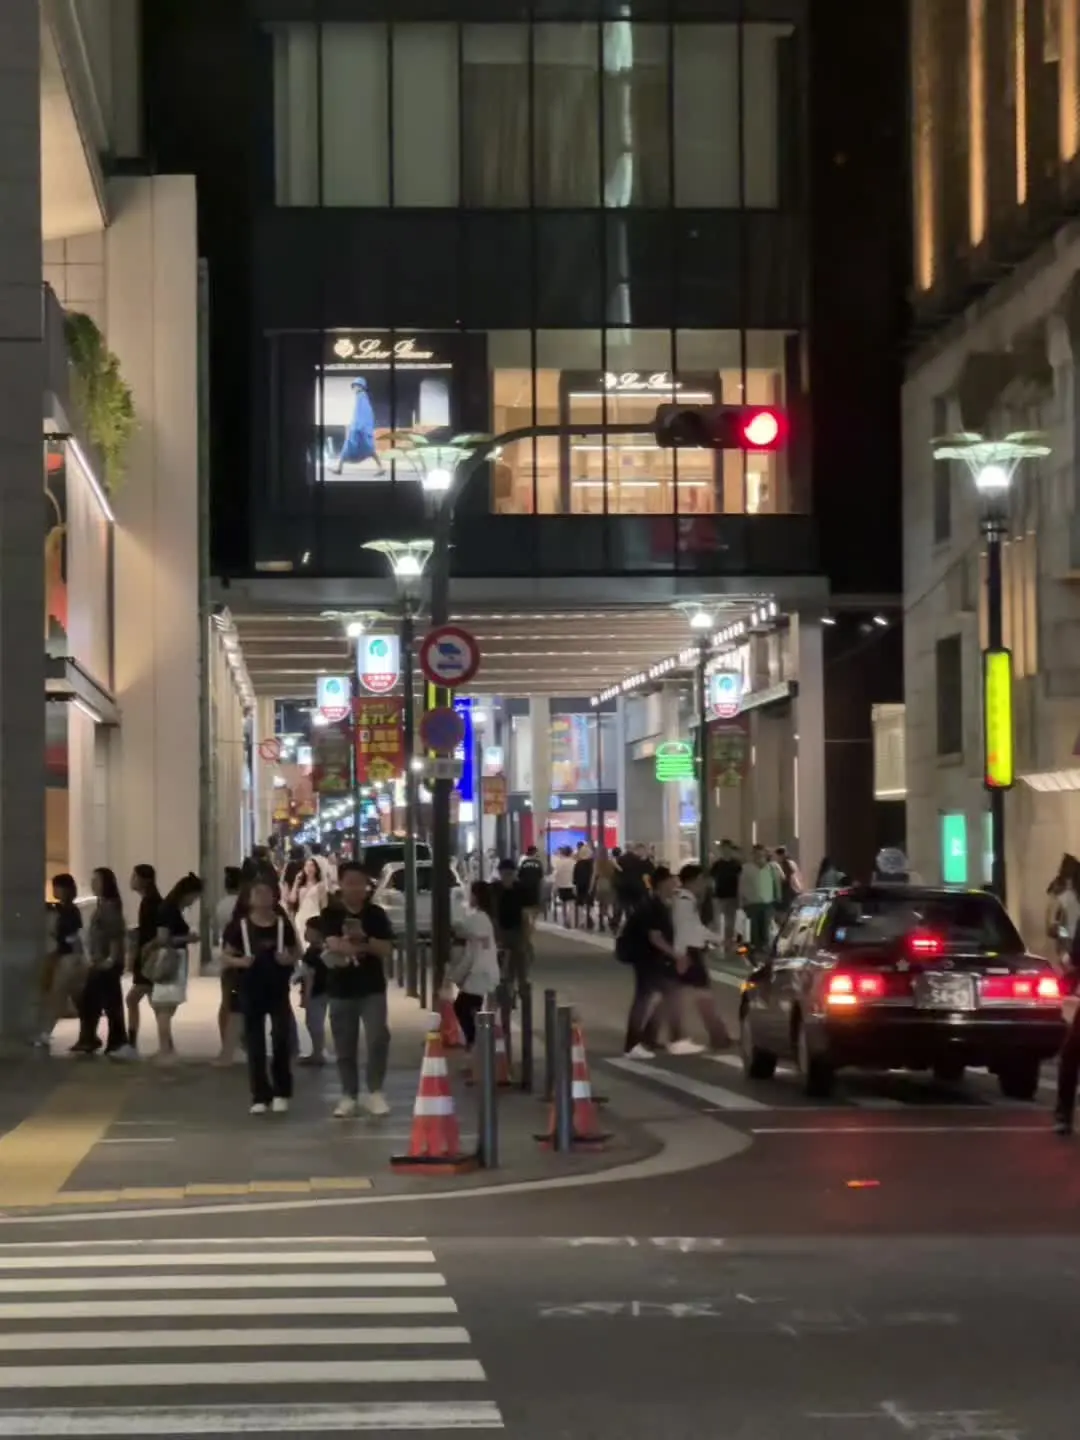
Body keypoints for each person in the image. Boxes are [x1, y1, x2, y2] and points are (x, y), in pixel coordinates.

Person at [320, 862, 394, 1118]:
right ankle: (348, 1094)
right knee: (344, 1044)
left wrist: (364, 939)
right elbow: (333, 943)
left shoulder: (376, 914)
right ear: (340, 884)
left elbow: (386, 948)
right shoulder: (331, 913)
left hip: (372, 987)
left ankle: (375, 1091)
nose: (355, 888)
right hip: (340, 987)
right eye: (350, 882)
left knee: (378, 1038)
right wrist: (358, 947)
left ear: (367, 886)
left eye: (360, 883)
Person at [222, 878, 298, 1114]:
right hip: (250, 988)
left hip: (278, 988)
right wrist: (240, 962)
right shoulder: (240, 926)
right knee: (254, 1042)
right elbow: (225, 955)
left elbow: (297, 951)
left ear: (274, 898)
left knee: (281, 1038)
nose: (263, 898)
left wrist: (288, 958)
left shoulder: (282, 924)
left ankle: (282, 1091)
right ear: (249, 899)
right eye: (258, 894)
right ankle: (259, 1095)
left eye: (267, 893)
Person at [620, 866, 685, 1059]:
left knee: (664, 994)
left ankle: (649, 1038)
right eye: (672, 881)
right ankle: (632, 1044)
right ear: (662, 884)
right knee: (644, 998)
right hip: (645, 957)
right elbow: (655, 936)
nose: (675, 885)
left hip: (654, 958)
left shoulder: (660, 904)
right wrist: (675, 955)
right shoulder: (652, 906)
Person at [671, 863, 731, 1052]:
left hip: (689, 952)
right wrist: (681, 955)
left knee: (683, 995)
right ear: (695, 880)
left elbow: (693, 928)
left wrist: (716, 940)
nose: (704, 885)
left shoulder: (684, 900)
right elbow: (686, 930)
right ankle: (717, 1036)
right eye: (702, 880)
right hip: (689, 953)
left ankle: (714, 1035)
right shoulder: (684, 901)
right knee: (701, 994)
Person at [144, 872, 203, 1061]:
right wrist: (188, 938)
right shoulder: (168, 910)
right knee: (165, 1007)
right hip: (170, 959)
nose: (193, 901)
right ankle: (165, 1050)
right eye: (194, 897)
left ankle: (167, 1048)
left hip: (173, 958)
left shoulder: (171, 909)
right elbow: (164, 938)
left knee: (166, 1006)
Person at [72, 868, 130, 1057]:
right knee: (95, 1002)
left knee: (104, 1003)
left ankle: (109, 1041)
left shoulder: (109, 907)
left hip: (106, 963)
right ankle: (92, 1039)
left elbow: (114, 936)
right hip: (100, 962)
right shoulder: (102, 904)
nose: (93, 883)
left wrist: (110, 959)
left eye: (97, 880)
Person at [448, 881, 500, 1051]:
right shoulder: (484, 918)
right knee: (470, 1007)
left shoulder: (478, 919)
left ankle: (475, 1043)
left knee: (463, 1007)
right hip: (482, 971)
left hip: (479, 972)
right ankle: (476, 1043)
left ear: (476, 896)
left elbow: (464, 935)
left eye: (470, 894)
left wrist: (455, 976)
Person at [36, 873, 84, 1048]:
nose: (54, 890)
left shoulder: (70, 911)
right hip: (64, 957)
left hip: (68, 958)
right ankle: (87, 1035)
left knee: (57, 996)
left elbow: (73, 937)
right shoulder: (62, 909)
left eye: (57, 887)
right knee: (72, 998)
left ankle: (45, 1033)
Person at [126, 863, 162, 1051]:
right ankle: (165, 1045)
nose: (131, 880)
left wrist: (142, 951)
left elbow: (154, 932)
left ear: (144, 880)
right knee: (155, 1003)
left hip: (148, 958)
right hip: (148, 957)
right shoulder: (149, 901)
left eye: (134, 876)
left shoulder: (150, 902)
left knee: (134, 999)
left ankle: (132, 1045)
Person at [213, 866, 244, 1065]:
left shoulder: (221, 905)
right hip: (240, 957)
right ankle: (238, 1043)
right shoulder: (242, 905)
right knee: (240, 1004)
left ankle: (226, 1043)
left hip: (226, 956)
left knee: (225, 1002)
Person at [494, 858, 531, 998]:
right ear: (500, 874)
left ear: (515, 874)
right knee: (499, 959)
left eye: (510, 874)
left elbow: (526, 914)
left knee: (521, 956)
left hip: (517, 929)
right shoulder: (495, 889)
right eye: (504, 874)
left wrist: (526, 935)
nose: (507, 877)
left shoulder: (521, 889)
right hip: (500, 930)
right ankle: (502, 986)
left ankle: (522, 985)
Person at [298, 917, 330, 1065]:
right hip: (325, 990)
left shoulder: (311, 954)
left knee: (313, 1023)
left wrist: (306, 996)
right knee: (316, 1022)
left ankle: (318, 1053)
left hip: (316, 992)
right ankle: (317, 1052)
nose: (306, 933)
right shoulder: (325, 950)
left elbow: (309, 976)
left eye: (309, 930)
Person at [738, 845, 781, 953]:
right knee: (754, 929)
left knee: (766, 928)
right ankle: (755, 949)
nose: (759, 856)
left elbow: (776, 883)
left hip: (767, 903)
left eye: (761, 854)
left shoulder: (771, 868)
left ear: (765, 855)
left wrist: (778, 897)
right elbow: (741, 885)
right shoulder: (746, 868)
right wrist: (741, 901)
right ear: (753, 855)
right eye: (756, 854)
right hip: (752, 903)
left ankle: (764, 949)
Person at [710, 841, 743, 952]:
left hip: (732, 895)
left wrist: (740, 895)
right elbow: (711, 879)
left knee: (730, 922)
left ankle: (728, 942)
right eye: (723, 849)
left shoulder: (736, 864)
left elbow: (741, 880)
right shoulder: (717, 864)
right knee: (717, 921)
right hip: (719, 896)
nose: (725, 851)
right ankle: (718, 941)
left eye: (727, 848)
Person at [517, 845, 545, 927]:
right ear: (534, 853)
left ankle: (527, 921)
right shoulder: (538, 863)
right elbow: (541, 876)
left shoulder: (524, 863)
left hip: (524, 886)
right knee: (534, 905)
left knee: (525, 905)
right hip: (535, 887)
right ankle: (533, 921)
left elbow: (519, 875)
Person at [551, 847, 575, 926]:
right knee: (571, 904)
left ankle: (564, 920)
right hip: (571, 885)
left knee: (563, 903)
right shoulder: (573, 862)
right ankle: (569, 919)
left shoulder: (559, 862)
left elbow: (556, 875)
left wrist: (555, 886)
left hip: (561, 885)